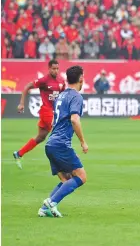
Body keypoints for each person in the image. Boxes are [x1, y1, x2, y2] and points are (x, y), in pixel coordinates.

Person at [39, 65, 87, 218]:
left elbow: (56, 121)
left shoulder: (60, 96)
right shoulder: (76, 96)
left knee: (67, 179)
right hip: (60, 144)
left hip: (51, 143)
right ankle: (51, 202)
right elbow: (74, 120)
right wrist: (82, 142)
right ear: (80, 79)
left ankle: (44, 209)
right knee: (81, 177)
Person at [13, 60, 65, 169]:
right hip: (47, 111)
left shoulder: (61, 81)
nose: (56, 71)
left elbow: (63, 96)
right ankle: (62, 158)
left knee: (41, 137)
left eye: (57, 69)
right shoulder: (44, 80)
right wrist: (22, 103)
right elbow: (27, 86)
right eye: (53, 69)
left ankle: (19, 153)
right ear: (49, 69)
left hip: (54, 111)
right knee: (59, 130)